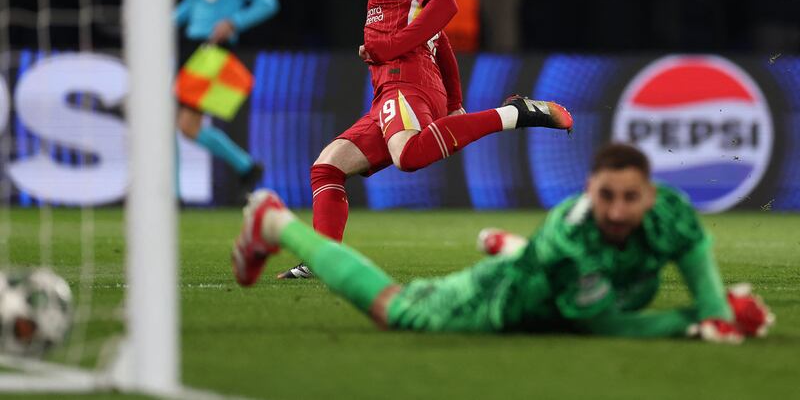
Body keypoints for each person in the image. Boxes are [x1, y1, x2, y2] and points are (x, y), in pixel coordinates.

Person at [275, 0, 572, 279]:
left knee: (409, 155)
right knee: (327, 167)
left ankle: (513, 113)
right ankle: (322, 260)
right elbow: (441, 40)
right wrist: (453, 101)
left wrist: (392, 45)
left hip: (406, 81)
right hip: (394, 87)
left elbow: (445, 5)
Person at [231, 143, 774, 341]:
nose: (615, 210)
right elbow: (605, 325)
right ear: (589, 190)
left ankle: (511, 245)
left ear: (650, 197)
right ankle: (275, 222)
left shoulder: (671, 213)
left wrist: (716, 309)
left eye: (629, 199)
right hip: (499, 302)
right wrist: (695, 321)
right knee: (395, 310)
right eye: (605, 196)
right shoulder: (572, 240)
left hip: (550, 281)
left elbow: (698, 260)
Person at [174, 0, 279, 190]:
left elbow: (268, 2)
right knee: (184, 126)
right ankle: (246, 166)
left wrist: (233, 22)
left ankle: (171, 192)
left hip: (214, 50)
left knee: (183, 123)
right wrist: (166, 22)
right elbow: (192, 4)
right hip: (190, 45)